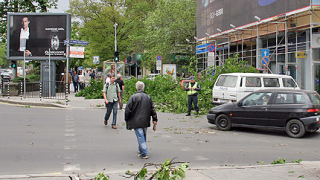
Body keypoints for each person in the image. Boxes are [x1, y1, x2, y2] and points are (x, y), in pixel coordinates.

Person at [125, 81, 158, 159]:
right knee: (143, 135)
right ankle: (141, 149)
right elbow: (152, 109)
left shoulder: (133, 97)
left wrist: (127, 119)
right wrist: (155, 119)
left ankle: (144, 153)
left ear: (136, 88)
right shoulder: (148, 97)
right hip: (145, 120)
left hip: (136, 120)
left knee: (140, 136)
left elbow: (127, 110)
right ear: (143, 88)